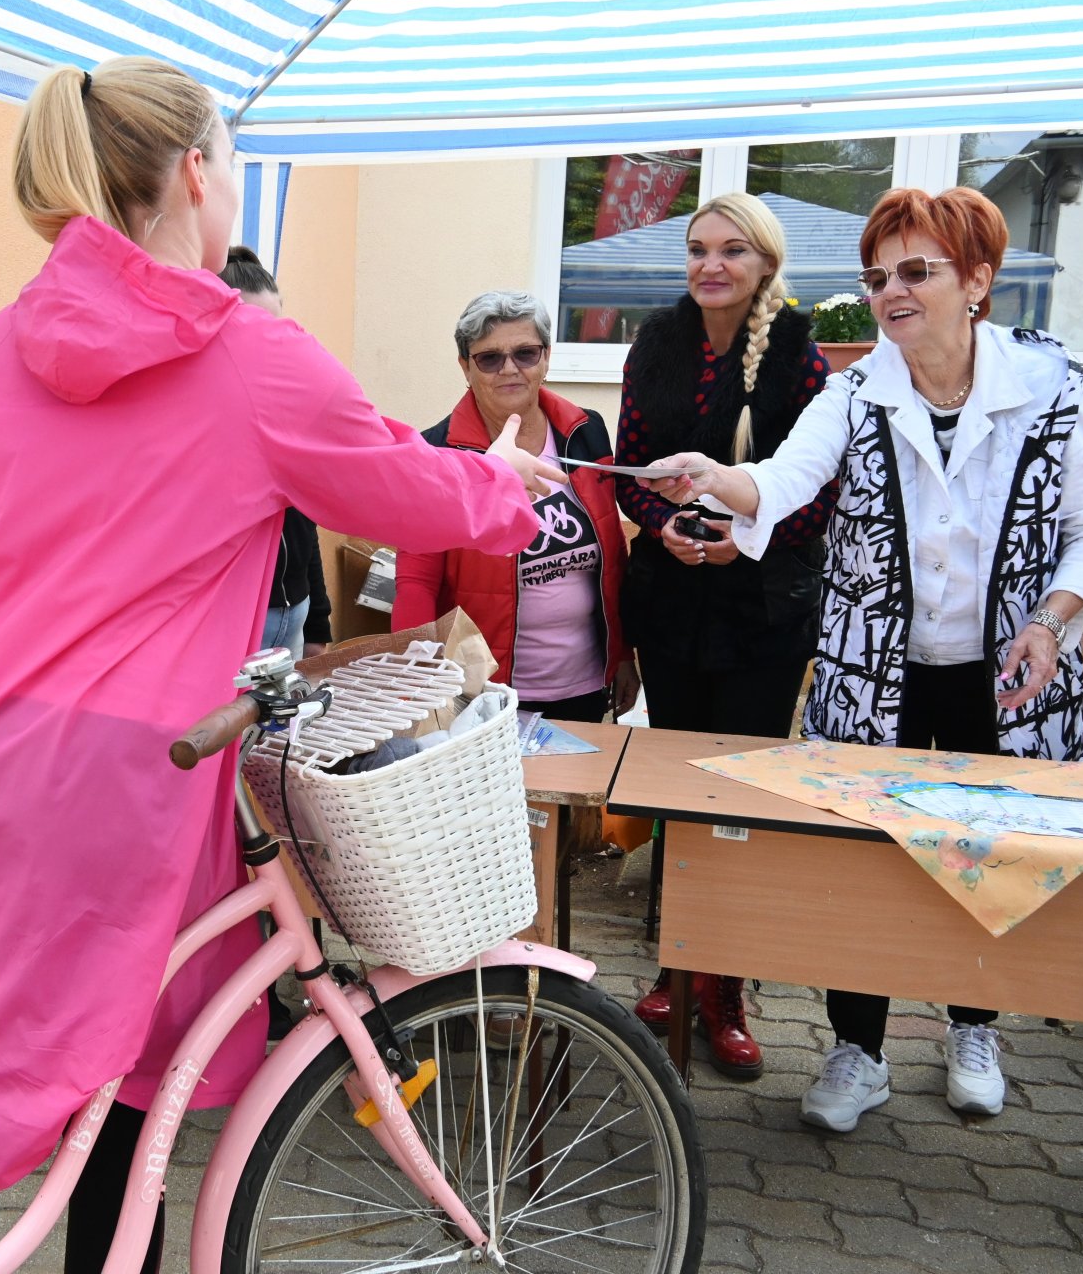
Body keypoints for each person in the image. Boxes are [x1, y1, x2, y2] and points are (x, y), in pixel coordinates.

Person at [0, 57, 564, 1274]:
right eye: (238, 162)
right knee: (131, 1081)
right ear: (198, 172)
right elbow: (397, 485)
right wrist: (500, 483)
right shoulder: (245, 350)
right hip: (115, 765)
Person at [644, 186, 1083, 1133]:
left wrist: (1050, 621)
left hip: (1006, 677)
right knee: (861, 862)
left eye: (915, 271)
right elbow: (782, 481)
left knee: (989, 850)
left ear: (977, 280)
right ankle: (857, 1049)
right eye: (876, 277)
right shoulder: (857, 390)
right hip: (875, 674)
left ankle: (973, 1028)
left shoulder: (1055, 387)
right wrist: (712, 476)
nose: (890, 292)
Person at [616, 192, 835, 1081]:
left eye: (732, 251)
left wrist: (738, 542)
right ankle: (675, 971)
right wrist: (662, 525)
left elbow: (819, 493)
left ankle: (726, 990)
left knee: (737, 802)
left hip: (763, 615)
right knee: (679, 794)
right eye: (698, 248)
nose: (711, 265)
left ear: (765, 265)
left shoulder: (803, 359)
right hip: (671, 607)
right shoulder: (654, 346)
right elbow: (630, 471)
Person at [392, 291, 638, 723]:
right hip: (483, 689)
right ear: (465, 368)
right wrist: (417, 680)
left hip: (584, 682)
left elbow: (612, 552)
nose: (509, 369)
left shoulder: (586, 431)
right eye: (489, 358)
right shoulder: (436, 453)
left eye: (525, 353)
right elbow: (417, 584)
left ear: (546, 358)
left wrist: (621, 654)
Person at [219, 245, 332, 662]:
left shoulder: (291, 413)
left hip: (294, 613)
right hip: (235, 620)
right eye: (252, 329)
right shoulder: (202, 422)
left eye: (277, 328)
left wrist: (317, 622)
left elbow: (304, 522)